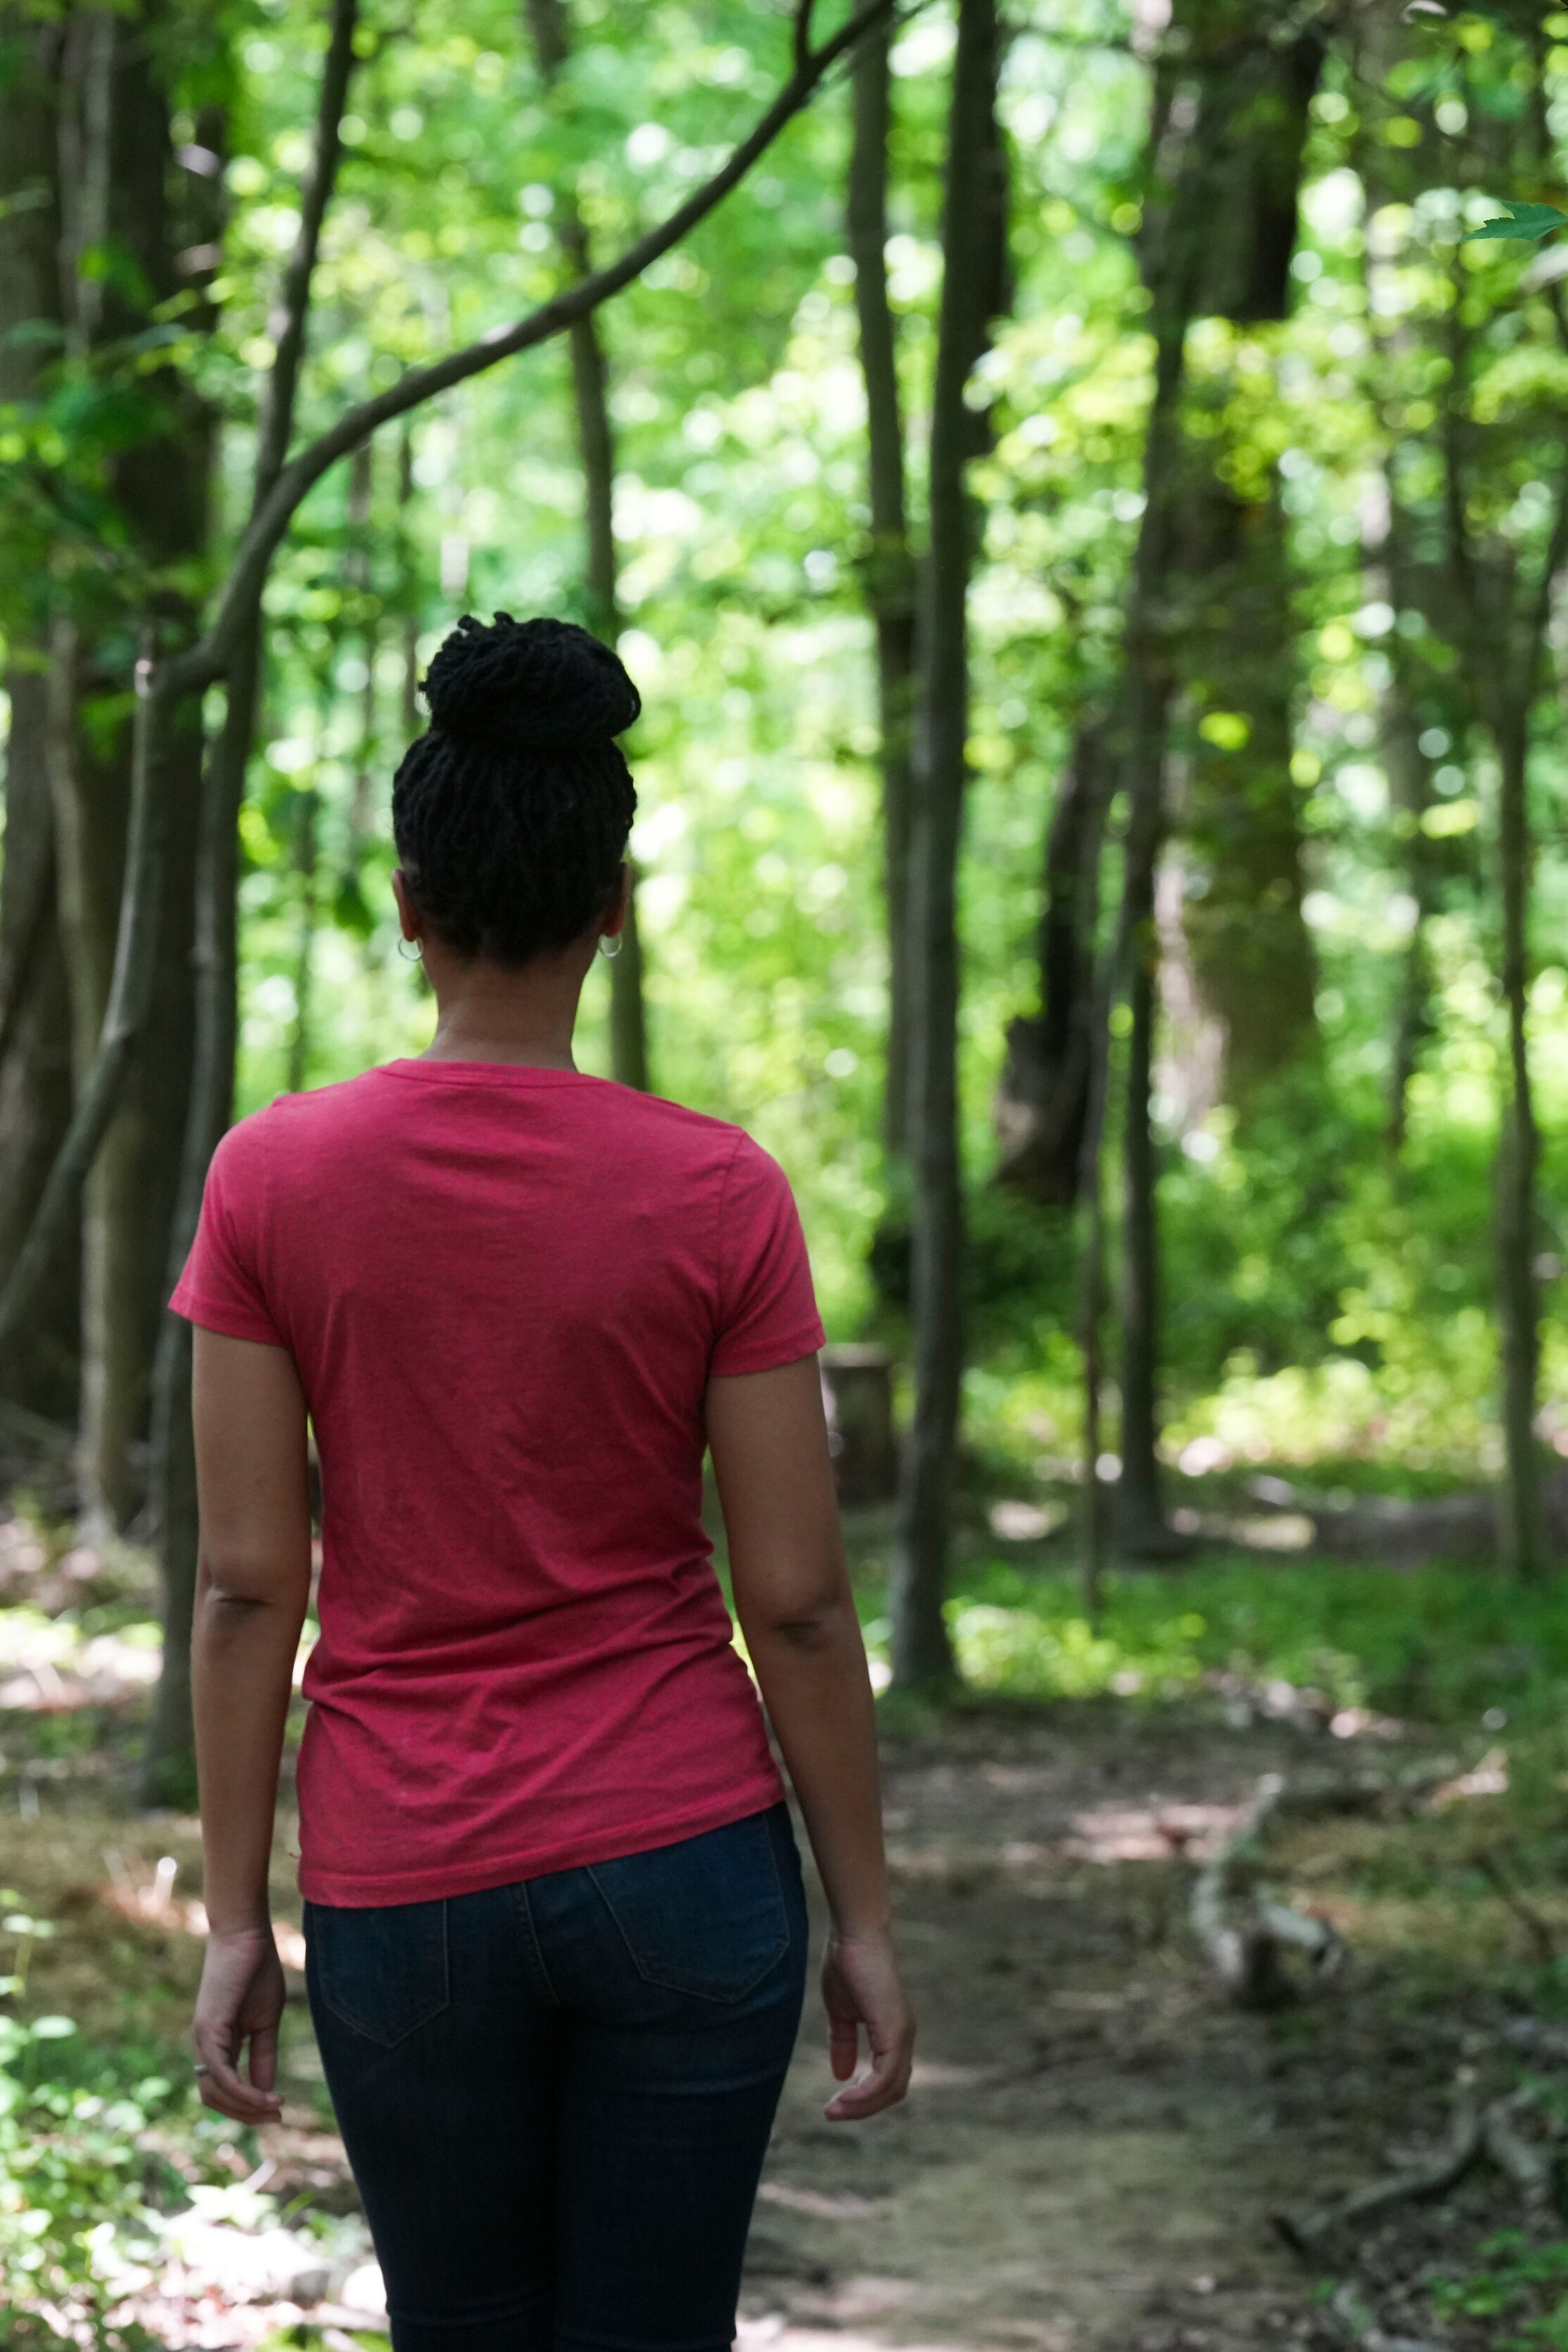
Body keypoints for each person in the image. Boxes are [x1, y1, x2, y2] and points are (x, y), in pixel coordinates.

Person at [177, 613, 916, 2348]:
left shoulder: (271, 1179)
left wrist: (231, 1913)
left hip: (402, 1871)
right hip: (684, 1858)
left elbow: (241, 1584)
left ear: (409, 903)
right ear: (614, 906)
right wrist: (866, 1915)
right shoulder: (717, 1192)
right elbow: (796, 1601)